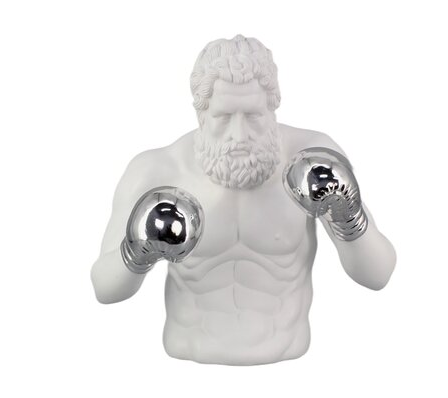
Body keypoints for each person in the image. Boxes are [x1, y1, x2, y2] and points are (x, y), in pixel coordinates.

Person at [91, 35, 396, 365]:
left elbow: (377, 274)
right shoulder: (158, 170)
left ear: (272, 108)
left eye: (253, 116)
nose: (239, 135)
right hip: (185, 369)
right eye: (224, 117)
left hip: (291, 367)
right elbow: (104, 289)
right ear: (201, 114)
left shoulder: (312, 158)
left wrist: (348, 215)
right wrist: (137, 251)